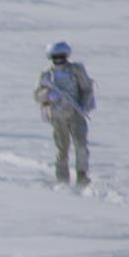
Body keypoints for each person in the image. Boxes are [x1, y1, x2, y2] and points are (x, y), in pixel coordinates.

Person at [33, 41, 95, 186]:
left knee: (81, 146)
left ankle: (82, 176)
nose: (59, 59)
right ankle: (62, 179)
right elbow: (37, 95)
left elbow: (87, 89)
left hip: (76, 114)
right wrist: (48, 95)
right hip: (57, 116)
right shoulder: (47, 74)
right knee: (62, 148)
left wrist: (84, 106)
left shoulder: (76, 70)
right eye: (56, 56)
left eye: (61, 56)